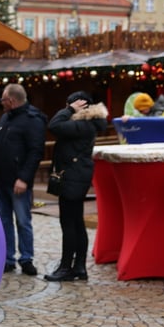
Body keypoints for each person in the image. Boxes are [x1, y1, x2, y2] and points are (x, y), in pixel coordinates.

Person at [0, 83, 47, 276]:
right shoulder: (6, 117)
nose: (1, 103)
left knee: (22, 221)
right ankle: (8, 258)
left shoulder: (32, 120)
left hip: (18, 182)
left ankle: (26, 258)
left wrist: (24, 179)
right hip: (0, 179)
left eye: (2, 99)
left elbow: (36, 152)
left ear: (11, 100)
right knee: (4, 221)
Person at [44, 91, 108, 282]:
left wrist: (69, 109)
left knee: (69, 224)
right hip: (76, 177)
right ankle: (79, 267)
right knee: (77, 223)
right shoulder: (87, 124)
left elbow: (53, 125)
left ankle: (66, 267)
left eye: (69, 105)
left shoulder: (81, 124)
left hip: (73, 178)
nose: (66, 109)